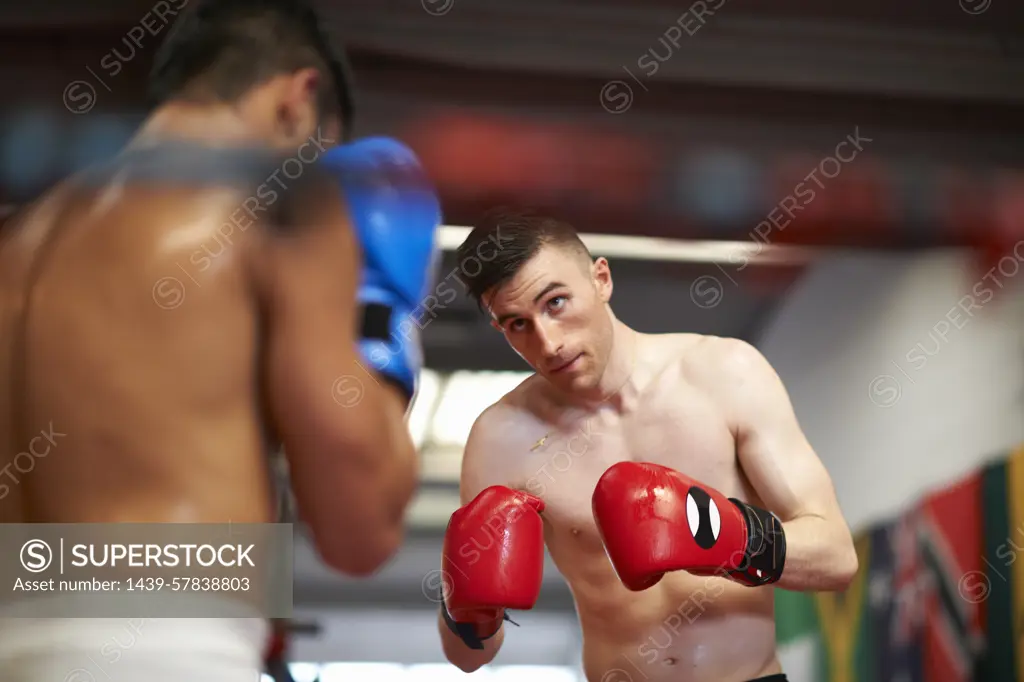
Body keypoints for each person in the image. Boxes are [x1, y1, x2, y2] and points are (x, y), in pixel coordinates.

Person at [0, 1, 439, 681]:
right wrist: (382, 314)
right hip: (166, 653)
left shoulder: (21, 237)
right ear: (299, 100)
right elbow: (360, 528)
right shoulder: (278, 201)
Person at [436, 210, 858, 682]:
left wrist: (731, 536)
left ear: (601, 279)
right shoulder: (500, 439)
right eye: (517, 324)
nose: (548, 343)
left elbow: (837, 558)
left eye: (555, 302)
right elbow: (468, 657)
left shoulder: (725, 373)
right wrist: (468, 612)